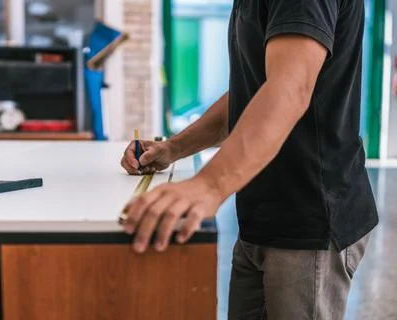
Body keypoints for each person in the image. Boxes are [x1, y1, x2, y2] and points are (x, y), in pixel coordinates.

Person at [120, 0, 379, 319]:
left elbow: (289, 89)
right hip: (262, 215)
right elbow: (253, 93)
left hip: (309, 222)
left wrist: (209, 185)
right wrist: (173, 148)